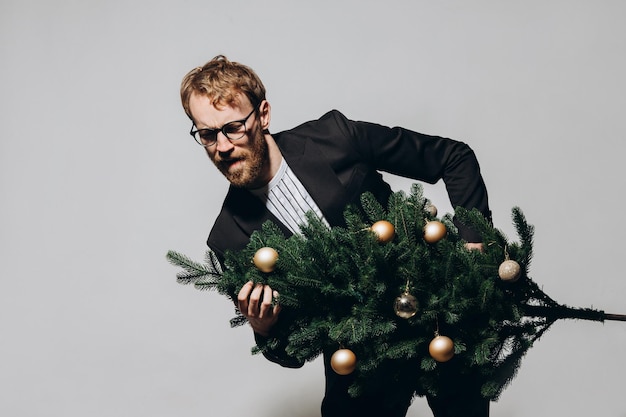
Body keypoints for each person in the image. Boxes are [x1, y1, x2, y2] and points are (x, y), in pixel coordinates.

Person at [179, 55, 492, 417]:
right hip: (359, 367)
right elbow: (293, 353)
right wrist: (265, 329)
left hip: (439, 317)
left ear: (263, 115)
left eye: (233, 127)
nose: (222, 146)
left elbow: (454, 158)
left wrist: (474, 244)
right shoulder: (229, 238)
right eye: (207, 134)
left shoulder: (336, 137)